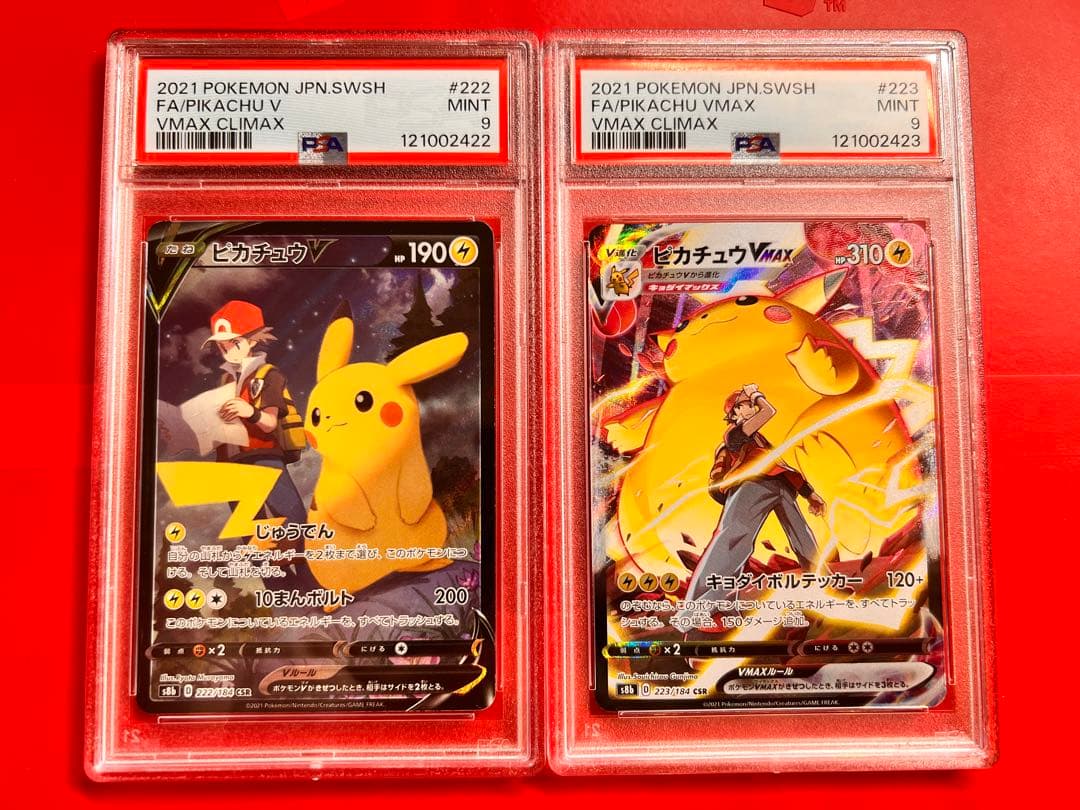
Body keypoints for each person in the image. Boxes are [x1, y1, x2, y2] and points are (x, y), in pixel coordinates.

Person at [202, 299, 315, 593]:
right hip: (231, 467)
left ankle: (311, 582)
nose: (227, 350)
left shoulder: (268, 375)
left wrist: (248, 411)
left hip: (263, 457)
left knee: (293, 520)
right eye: (222, 345)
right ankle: (280, 591)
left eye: (233, 342)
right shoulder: (225, 380)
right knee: (251, 531)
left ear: (252, 340)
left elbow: (268, 423)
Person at [682, 384, 826, 613]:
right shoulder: (734, 435)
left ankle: (824, 584)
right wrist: (755, 394)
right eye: (746, 404)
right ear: (734, 413)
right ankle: (700, 608)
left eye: (751, 403)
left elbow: (781, 466)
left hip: (780, 486)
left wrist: (810, 494)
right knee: (733, 542)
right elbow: (769, 412)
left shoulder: (761, 441)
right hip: (751, 486)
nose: (752, 407)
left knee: (802, 536)